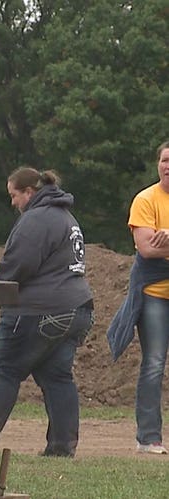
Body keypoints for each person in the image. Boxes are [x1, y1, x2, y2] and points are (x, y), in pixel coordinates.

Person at [0, 167, 94, 458]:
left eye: (14, 195)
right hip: (77, 308)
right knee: (58, 376)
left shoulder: (36, 218)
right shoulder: (65, 216)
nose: (13, 203)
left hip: (39, 311)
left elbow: (19, 265)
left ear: (29, 192)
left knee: (6, 371)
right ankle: (62, 447)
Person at [107, 141, 169, 454]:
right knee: (154, 363)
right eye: (165, 160)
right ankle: (149, 438)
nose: (168, 166)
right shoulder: (145, 200)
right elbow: (147, 249)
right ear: (157, 164)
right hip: (154, 295)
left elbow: (159, 248)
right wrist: (159, 242)